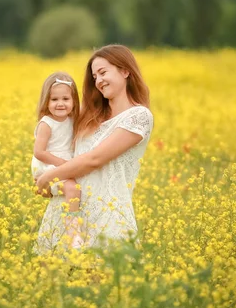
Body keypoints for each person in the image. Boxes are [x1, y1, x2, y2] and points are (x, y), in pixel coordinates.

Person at [35, 45, 153, 253]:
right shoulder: (87, 118)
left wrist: (49, 177)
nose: (98, 80)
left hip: (107, 219)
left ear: (125, 71)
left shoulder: (138, 117)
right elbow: (53, 139)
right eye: (95, 76)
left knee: (99, 281)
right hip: (66, 214)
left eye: (103, 72)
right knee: (52, 283)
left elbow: (94, 160)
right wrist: (42, 174)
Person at [31, 72, 84, 249]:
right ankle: (74, 236)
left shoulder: (72, 120)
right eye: (54, 99)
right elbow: (39, 152)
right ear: (46, 101)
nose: (60, 104)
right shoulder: (46, 123)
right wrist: (63, 164)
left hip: (64, 164)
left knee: (75, 188)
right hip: (48, 166)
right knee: (71, 188)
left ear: (74, 101)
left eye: (65, 99)